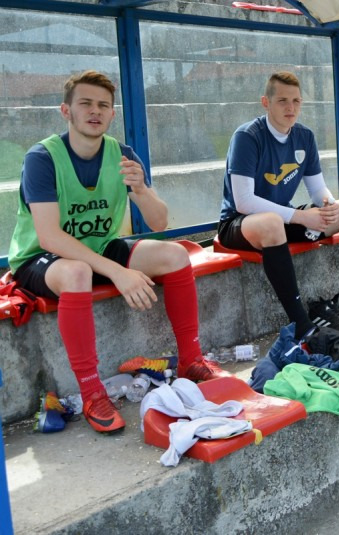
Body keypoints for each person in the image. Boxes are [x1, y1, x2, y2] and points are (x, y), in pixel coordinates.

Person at [7, 70, 226, 434]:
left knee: (175, 256)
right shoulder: (42, 158)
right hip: (40, 258)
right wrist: (117, 271)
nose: (95, 111)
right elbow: (49, 237)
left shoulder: (121, 154)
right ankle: (92, 392)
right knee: (77, 271)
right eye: (86, 103)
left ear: (112, 113)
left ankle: (190, 359)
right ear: (66, 111)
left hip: (97, 248)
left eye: (103, 105)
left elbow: (159, 221)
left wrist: (141, 190)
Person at [217, 71, 339, 340]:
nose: (290, 108)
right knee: (271, 222)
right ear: (266, 102)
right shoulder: (247, 136)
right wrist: (302, 217)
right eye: (282, 101)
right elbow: (244, 201)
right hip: (239, 223)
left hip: (283, 217)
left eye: (296, 101)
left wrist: (327, 205)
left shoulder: (304, 136)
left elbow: (317, 189)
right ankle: (301, 324)